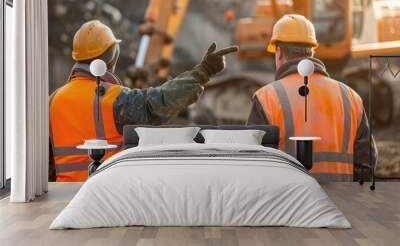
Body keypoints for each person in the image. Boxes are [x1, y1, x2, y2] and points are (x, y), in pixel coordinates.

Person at [50, 20, 238, 182]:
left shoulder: (54, 100)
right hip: (105, 191)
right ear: (112, 55)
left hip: (62, 194)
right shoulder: (114, 99)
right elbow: (162, 101)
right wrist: (204, 71)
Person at [247, 14, 377, 182]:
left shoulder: (267, 98)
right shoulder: (350, 97)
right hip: (340, 204)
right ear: (312, 51)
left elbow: (253, 164)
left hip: (290, 205)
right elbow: (367, 162)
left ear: (278, 52)